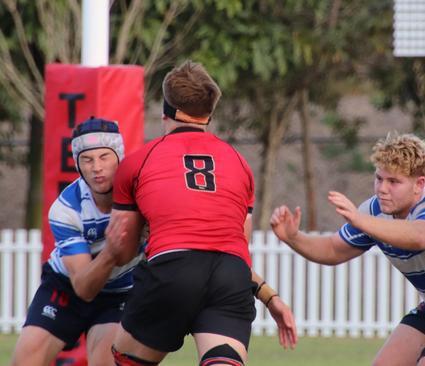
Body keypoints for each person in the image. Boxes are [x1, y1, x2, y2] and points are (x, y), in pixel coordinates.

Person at [103, 60, 297, 366]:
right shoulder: (238, 163)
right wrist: (269, 296)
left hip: (172, 269)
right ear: (209, 112)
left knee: (123, 358)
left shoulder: (139, 160)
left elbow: (124, 250)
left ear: (166, 108)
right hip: (230, 276)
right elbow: (235, 249)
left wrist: (118, 247)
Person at [270, 133, 425, 366]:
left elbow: (419, 237)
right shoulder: (374, 211)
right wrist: (294, 237)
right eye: (379, 178)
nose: (382, 188)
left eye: (394, 182)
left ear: (418, 184)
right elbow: (333, 249)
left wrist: (359, 220)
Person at [10, 117, 144, 366]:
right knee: (25, 360)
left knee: (106, 360)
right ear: (78, 165)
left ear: (120, 158)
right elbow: (84, 287)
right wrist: (111, 253)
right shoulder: (66, 209)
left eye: (105, 157)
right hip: (67, 287)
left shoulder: (144, 196)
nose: (96, 167)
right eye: (87, 159)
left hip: (120, 293)